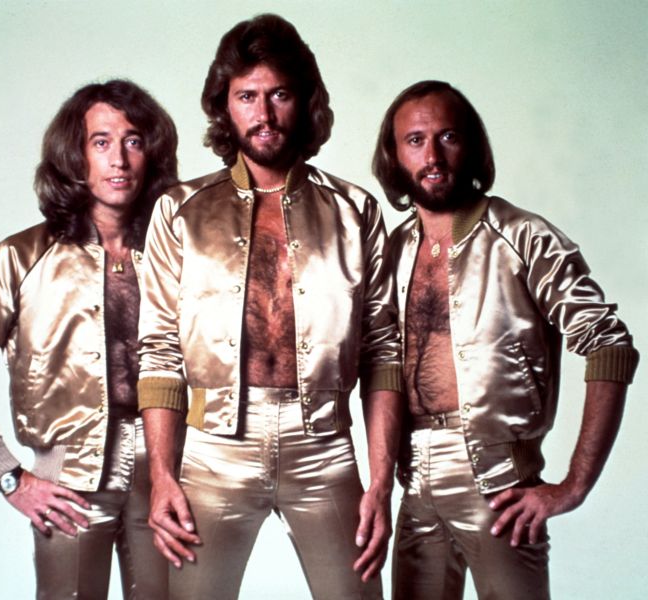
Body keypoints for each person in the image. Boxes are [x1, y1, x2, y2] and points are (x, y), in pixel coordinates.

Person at [136, 14, 404, 600]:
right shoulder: (180, 211)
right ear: (224, 106)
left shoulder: (355, 211)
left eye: (279, 94)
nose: (264, 113)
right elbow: (158, 353)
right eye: (246, 96)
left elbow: (385, 353)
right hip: (213, 451)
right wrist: (161, 476)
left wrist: (381, 483)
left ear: (305, 101)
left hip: (325, 448)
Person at [372, 80, 639, 599]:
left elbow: (609, 344)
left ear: (471, 145)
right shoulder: (394, 250)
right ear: (395, 155)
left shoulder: (522, 236)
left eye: (448, 137)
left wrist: (574, 485)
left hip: (500, 483)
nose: (432, 156)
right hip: (415, 480)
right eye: (415, 140)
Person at [0, 79, 178, 599]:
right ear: (75, 156)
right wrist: (8, 474)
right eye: (101, 142)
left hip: (171, 473)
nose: (119, 159)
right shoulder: (21, 258)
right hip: (69, 478)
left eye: (133, 141)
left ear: (152, 153)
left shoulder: (177, 257)